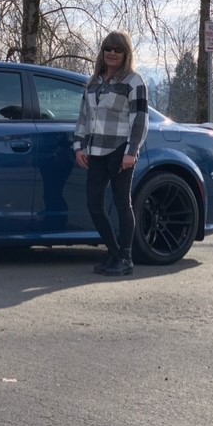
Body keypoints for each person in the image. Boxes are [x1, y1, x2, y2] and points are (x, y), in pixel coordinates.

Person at [73, 30, 149, 276]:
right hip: (95, 151)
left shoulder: (133, 82)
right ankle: (114, 252)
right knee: (94, 204)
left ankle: (125, 257)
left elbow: (140, 119)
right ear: (102, 52)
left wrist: (132, 150)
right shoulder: (94, 82)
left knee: (121, 203)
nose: (112, 53)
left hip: (119, 151)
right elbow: (84, 117)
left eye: (117, 49)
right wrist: (79, 146)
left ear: (126, 54)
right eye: (108, 49)